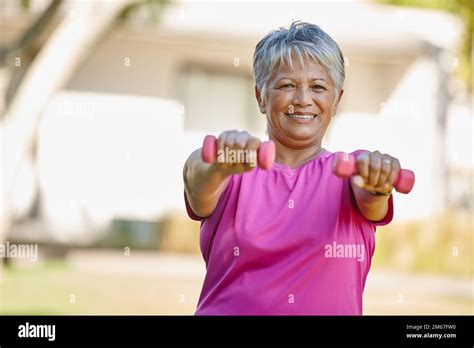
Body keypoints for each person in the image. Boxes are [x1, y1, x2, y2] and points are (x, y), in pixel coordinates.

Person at [183, 21, 400, 315]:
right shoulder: (230, 169)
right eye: (286, 85)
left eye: (318, 87)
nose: (302, 100)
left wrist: (378, 182)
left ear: (336, 100)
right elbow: (198, 179)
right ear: (260, 96)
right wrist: (219, 165)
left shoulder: (351, 171)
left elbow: (372, 197)